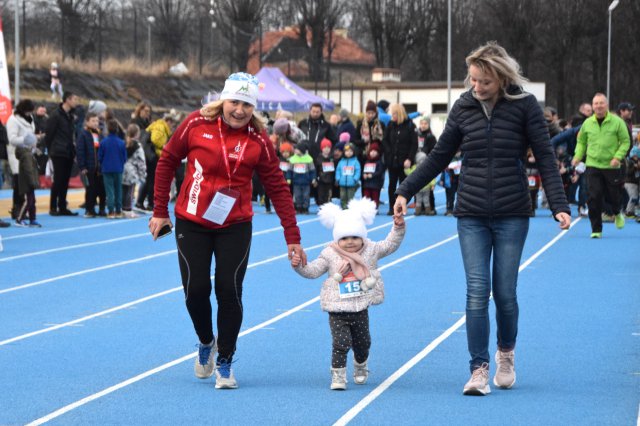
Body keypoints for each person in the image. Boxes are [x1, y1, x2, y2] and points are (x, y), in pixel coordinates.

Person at [394, 42, 571, 396]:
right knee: (477, 292)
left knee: (505, 293)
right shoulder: (463, 107)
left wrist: (558, 204)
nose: (476, 87)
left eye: (484, 82)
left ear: (502, 79)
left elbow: (546, 158)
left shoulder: (525, 108)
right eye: (473, 80)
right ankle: (478, 368)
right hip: (471, 212)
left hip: (512, 213)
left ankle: (506, 353)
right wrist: (405, 190)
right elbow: (439, 156)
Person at [148, 72, 306, 390]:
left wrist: (293, 237)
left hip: (234, 224)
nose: (239, 110)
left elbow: (277, 187)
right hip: (192, 222)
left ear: (253, 108)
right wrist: (158, 211)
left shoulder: (258, 139)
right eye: (234, 102)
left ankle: (225, 361)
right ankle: (207, 341)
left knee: (229, 290)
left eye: (246, 104)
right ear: (223, 100)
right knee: (195, 291)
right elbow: (167, 161)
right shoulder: (195, 124)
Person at [290, 198, 405, 390]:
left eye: (354, 237)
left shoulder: (370, 250)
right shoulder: (329, 253)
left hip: (360, 308)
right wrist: (299, 266)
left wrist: (398, 227)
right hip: (337, 308)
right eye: (344, 238)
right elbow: (313, 271)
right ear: (337, 238)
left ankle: (360, 365)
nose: (349, 242)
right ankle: (338, 375)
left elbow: (390, 244)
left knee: (363, 343)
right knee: (340, 343)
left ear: (362, 236)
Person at [572, 93, 630, 238]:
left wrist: (618, 157)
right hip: (593, 165)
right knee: (594, 196)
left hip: (612, 165)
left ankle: (617, 213)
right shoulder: (587, 123)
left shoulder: (617, 122)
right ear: (592, 106)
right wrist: (578, 156)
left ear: (607, 105)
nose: (598, 106)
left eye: (601, 103)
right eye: (596, 103)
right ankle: (596, 229)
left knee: (614, 196)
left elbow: (625, 141)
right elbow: (581, 142)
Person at [135, 109, 181, 212]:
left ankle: (141, 202)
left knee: (149, 180)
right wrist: (164, 147)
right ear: (168, 121)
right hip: (152, 157)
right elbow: (155, 139)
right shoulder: (161, 126)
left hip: (151, 156)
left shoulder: (161, 127)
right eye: (172, 124)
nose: (172, 127)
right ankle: (150, 204)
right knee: (152, 181)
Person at [44, 91, 80, 216]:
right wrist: (51, 150)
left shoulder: (70, 116)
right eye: (74, 99)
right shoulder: (55, 115)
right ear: (67, 100)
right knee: (58, 180)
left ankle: (62, 206)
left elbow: (71, 135)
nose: (76, 102)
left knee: (65, 180)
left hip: (68, 151)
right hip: (58, 152)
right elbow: (49, 134)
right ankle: (53, 207)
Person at [7, 99, 42, 227]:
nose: (30, 113)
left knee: (28, 185)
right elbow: (12, 139)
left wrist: (34, 141)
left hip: (29, 152)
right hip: (18, 153)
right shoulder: (13, 120)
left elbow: (31, 134)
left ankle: (27, 213)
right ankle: (17, 210)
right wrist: (26, 139)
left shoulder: (30, 118)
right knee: (20, 183)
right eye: (28, 111)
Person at [382, 103, 418, 215]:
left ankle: (402, 206)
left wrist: (409, 159)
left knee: (404, 185)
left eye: (394, 114)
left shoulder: (410, 125)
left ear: (400, 114)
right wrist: (388, 153)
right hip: (392, 161)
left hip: (405, 161)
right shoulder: (390, 125)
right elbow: (385, 140)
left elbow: (414, 144)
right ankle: (391, 207)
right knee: (392, 184)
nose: (392, 116)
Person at [76, 113, 106, 217]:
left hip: (100, 168)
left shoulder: (100, 134)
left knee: (102, 189)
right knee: (91, 189)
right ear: (87, 122)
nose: (95, 123)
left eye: (97, 121)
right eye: (93, 121)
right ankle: (90, 209)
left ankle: (102, 209)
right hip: (89, 167)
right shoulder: (83, 134)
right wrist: (82, 166)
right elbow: (80, 151)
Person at [98, 119, 127, 219]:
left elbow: (100, 156)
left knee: (109, 191)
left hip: (106, 169)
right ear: (117, 129)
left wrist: (103, 164)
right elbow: (124, 157)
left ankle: (110, 211)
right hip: (118, 169)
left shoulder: (103, 142)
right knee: (118, 190)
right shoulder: (121, 143)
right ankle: (118, 211)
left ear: (107, 130)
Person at [122, 124, 146, 218]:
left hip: (122, 169)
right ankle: (128, 209)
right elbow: (141, 160)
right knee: (130, 190)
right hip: (132, 171)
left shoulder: (123, 143)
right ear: (137, 134)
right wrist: (143, 173)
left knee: (123, 190)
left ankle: (121, 208)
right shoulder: (137, 145)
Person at [289, 141, 316, 214]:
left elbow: (312, 170)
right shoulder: (293, 159)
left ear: (301, 150)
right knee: (297, 195)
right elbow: (290, 170)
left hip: (306, 182)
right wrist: (289, 178)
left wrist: (313, 178)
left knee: (306, 196)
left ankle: (305, 208)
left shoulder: (309, 159)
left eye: (297, 149)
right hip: (296, 182)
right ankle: (298, 207)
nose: (295, 150)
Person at [404, 152, 435, 216]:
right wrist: (406, 169)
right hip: (420, 188)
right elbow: (410, 173)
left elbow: (431, 176)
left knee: (423, 200)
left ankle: (422, 211)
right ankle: (421, 211)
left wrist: (432, 184)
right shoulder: (425, 167)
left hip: (421, 187)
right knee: (421, 200)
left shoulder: (424, 167)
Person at [335, 142, 361, 209]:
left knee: (350, 198)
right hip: (342, 183)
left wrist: (355, 179)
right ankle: (344, 209)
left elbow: (358, 171)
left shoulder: (355, 162)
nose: (348, 153)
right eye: (346, 151)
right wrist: (338, 178)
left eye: (350, 151)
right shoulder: (341, 162)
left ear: (353, 152)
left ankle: (350, 210)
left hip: (351, 184)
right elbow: (338, 170)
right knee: (343, 197)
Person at [361, 142, 385, 208]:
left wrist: (372, 175)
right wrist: (364, 175)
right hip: (366, 184)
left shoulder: (379, 162)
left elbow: (380, 172)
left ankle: (374, 208)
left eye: (375, 151)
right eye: (371, 151)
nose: (373, 153)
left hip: (375, 184)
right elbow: (364, 170)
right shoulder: (367, 161)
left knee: (375, 197)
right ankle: (366, 208)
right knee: (366, 197)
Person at [315, 138, 335, 206]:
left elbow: (334, 169)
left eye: (328, 147)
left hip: (330, 180)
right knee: (321, 194)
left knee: (328, 195)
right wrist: (316, 178)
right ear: (322, 148)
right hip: (321, 180)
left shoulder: (332, 158)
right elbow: (316, 169)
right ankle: (321, 206)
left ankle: (328, 206)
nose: (327, 149)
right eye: (325, 147)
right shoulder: (319, 158)